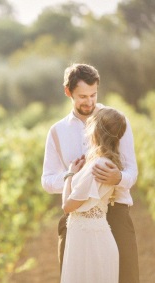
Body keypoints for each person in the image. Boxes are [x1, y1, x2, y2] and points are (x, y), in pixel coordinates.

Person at [41, 63, 139, 283]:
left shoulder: (117, 120)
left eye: (93, 95)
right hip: (77, 218)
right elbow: (47, 181)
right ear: (68, 92)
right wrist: (77, 179)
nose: (89, 102)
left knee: (127, 278)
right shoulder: (57, 131)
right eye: (82, 96)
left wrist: (119, 178)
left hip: (116, 212)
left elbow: (132, 170)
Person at [61, 107, 126, 282]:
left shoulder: (97, 166)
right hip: (93, 239)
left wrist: (69, 175)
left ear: (95, 130)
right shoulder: (108, 162)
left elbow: (67, 206)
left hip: (88, 244)